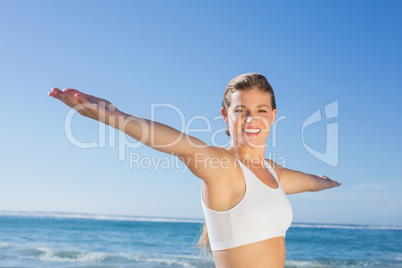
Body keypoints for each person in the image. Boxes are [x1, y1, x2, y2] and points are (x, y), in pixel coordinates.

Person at [49, 73, 341, 268]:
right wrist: (114, 116)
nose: (252, 119)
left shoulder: (273, 173)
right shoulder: (223, 167)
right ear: (226, 116)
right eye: (241, 110)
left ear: (273, 116)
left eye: (261, 110)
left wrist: (328, 183)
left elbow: (312, 182)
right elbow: (181, 144)